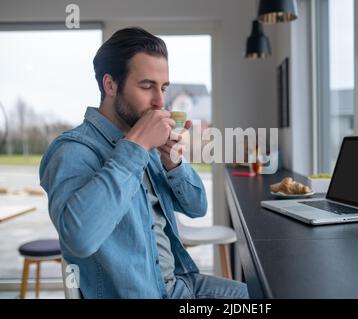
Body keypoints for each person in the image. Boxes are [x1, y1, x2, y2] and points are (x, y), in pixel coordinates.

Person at [39, 27, 249, 299]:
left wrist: (173, 162)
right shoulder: (72, 151)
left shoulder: (146, 141)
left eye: (163, 88)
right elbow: (79, 238)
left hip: (182, 286)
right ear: (110, 85)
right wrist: (136, 147)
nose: (160, 101)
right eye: (147, 86)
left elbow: (198, 207)